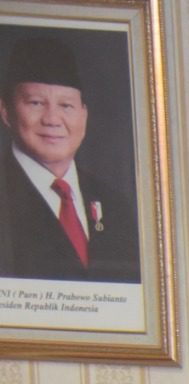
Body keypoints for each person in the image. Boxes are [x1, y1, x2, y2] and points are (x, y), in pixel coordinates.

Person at [1, 35, 141, 284]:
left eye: (66, 106)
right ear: (6, 112)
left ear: (84, 115)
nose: (52, 119)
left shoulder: (117, 207)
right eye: (36, 103)